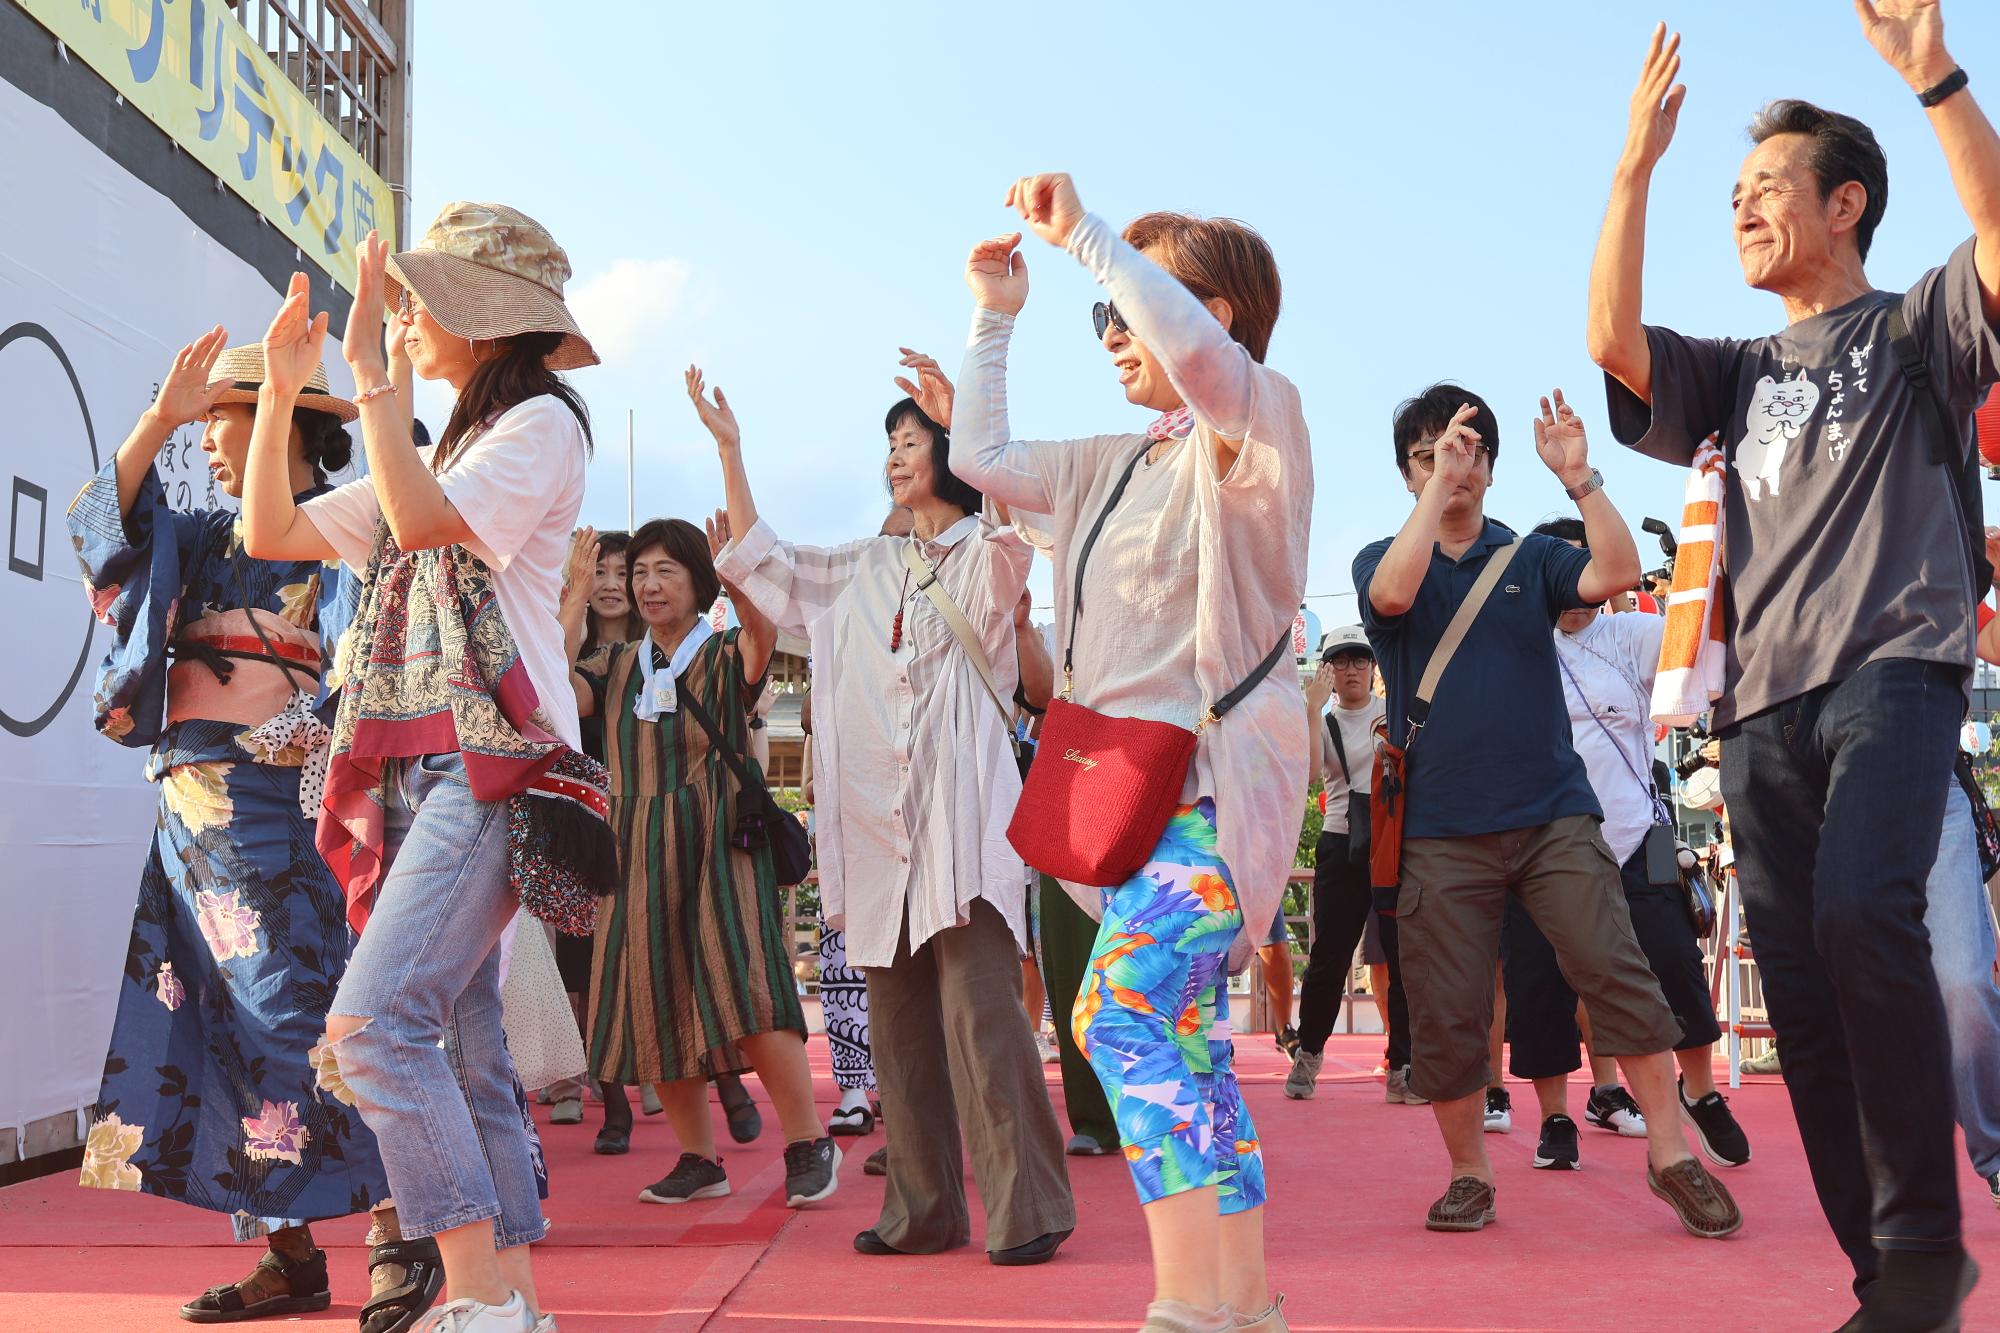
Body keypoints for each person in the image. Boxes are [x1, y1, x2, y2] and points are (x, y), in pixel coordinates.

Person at [1589, 9, 1998, 1318]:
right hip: (1758, 708)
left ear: (1844, 204)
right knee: (1807, 999)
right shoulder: (1734, 370)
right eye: (1733, 192)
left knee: (1861, 914)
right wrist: (1633, 166)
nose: (1742, 208)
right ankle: (1884, 1274)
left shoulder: (1919, 328)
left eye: (1767, 185)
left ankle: (1925, 1245)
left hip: (1896, 668)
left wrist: (1932, 76)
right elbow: (1612, 341)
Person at [951, 172, 1310, 1333]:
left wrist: (1093, 241)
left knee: (1117, 1015)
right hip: (1126, 803)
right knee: (1186, 1043)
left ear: (1215, 314)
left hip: (1211, 798)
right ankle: (1241, 1302)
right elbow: (979, 453)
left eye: (1131, 307)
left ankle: (1185, 1303)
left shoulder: (1258, 421)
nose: (1111, 329)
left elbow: (1201, 361)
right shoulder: (1110, 459)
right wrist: (993, 319)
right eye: (1100, 314)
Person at [242, 202, 603, 1333]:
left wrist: (368, 379)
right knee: (463, 1044)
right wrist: (282, 392)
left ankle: (480, 1296)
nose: (401, 320)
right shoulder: (455, 446)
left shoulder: (540, 424)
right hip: (428, 768)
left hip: (491, 762)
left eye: (417, 302)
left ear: (478, 316)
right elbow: (271, 532)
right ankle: (517, 1301)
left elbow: (422, 518)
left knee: (375, 1026)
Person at [67, 335, 438, 1330]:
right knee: (212, 1030)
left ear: (288, 421)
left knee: (306, 1018)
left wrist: (316, 724)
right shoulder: (198, 538)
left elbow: (375, 664)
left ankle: (401, 1228)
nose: (208, 444)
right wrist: (160, 418)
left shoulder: (343, 528)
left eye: (219, 421)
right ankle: (289, 1255)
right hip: (190, 815)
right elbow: (103, 532)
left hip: (287, 810)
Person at [702, 361, 1075, 1267]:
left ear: (952, 456)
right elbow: (769, 562)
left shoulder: (988, 553)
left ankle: (1029, 1208)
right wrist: (732, 452)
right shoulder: (862, 566)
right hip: (879, 834)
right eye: (890, 444)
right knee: (899, 1032)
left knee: (985, 1020)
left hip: (963, 827)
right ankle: (923, 1211)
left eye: (913, 440)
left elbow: (1023, 530)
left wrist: (974, 426)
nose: (896, 456)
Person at [1355, 382, 1741, 1241]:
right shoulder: (1384, 558)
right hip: (1439, 830)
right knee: (1450, 1007)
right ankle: (1469, 1173)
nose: (1452, 466)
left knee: (1616, 968)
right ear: (1407, 474)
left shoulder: (1529, 558)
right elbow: (1391, 598)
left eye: (1467, 453)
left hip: (1554, 818)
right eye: (1429, 456)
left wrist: (1579, 478)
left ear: (1494, 467)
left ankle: (1671, 1154)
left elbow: (1615, 572)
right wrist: (1435, 494)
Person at [569, 517, 838, 1209]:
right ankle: (698, 1158)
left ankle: (808, 1140)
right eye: (640, 572)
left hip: (719, 835)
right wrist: (572, 595)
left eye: (666, 570)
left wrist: (739, 576)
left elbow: (761, 641)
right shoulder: (616, 662)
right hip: (634, 840)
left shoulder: (720, 652)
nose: (648, 585)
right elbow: (558, 689)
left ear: (698, 581)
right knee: (651, 990)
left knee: (748, 982)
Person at [1491, 517, 1750, 1174]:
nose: (1576, 587)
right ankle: (1556, 1114)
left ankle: (1701, 1091)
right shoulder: (1517, 649)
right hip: (1542, 844)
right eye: (1561, 572)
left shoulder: (1632, 633)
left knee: (1675, 964)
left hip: (1644, 833)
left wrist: (1701, 566)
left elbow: (1702, 639)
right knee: (1539, 979)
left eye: (1586, 568)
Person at [1286, 628, 1401, 1104]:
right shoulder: (1322, 718)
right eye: (1340, 661)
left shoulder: (1392, 714)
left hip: (1392, 844)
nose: (1350, 670)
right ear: (1327, 671)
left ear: (1373, 667)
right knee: (1329, 957)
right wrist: (1311, 709)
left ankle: (1403, 1064)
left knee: (1402, 956)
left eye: (1359, 660)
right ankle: (1309, 1054)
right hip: (1339, 842)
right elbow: (1311, 773)